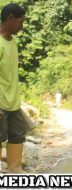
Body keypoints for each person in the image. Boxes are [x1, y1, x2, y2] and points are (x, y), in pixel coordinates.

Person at [0, 3, 31, 173]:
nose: (22, 26)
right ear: (10, 18)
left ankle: (14, 170)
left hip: (14, 102)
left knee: (18, 135)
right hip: (0, 102)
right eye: (20, 22)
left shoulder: (13, 42)